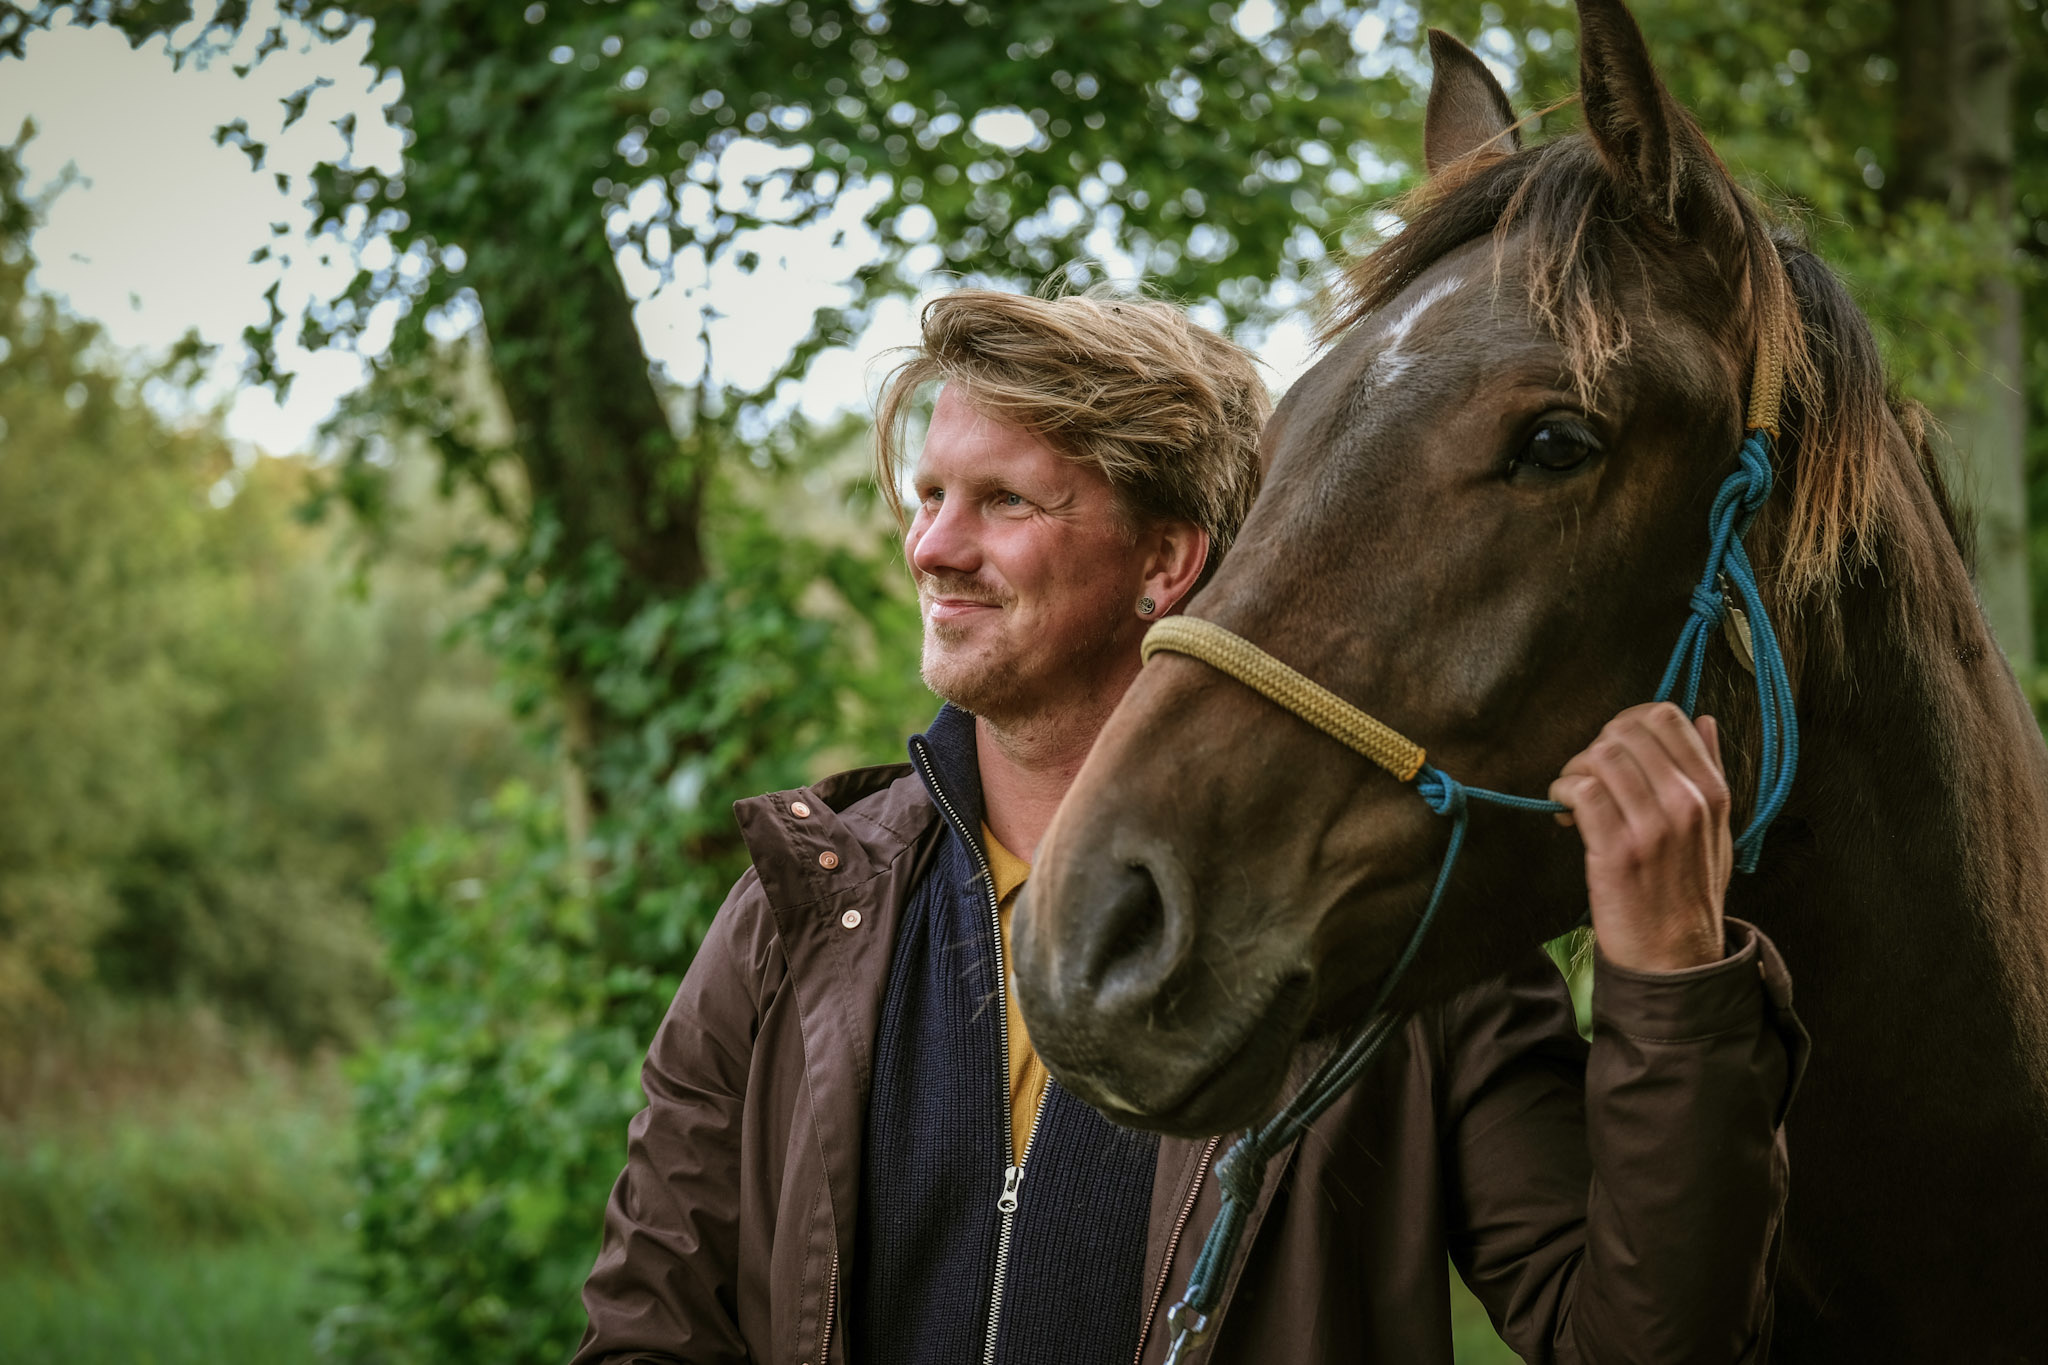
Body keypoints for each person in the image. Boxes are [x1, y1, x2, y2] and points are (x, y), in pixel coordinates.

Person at [571, 289, 1807, 1365]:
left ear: (1165, 562)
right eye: (931, 493)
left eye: (1004, 502)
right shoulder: (805, 908)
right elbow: (649, 1335)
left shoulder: (1396, 935)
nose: (932, 547)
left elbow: (1647, 1345)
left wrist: (1668, 984)